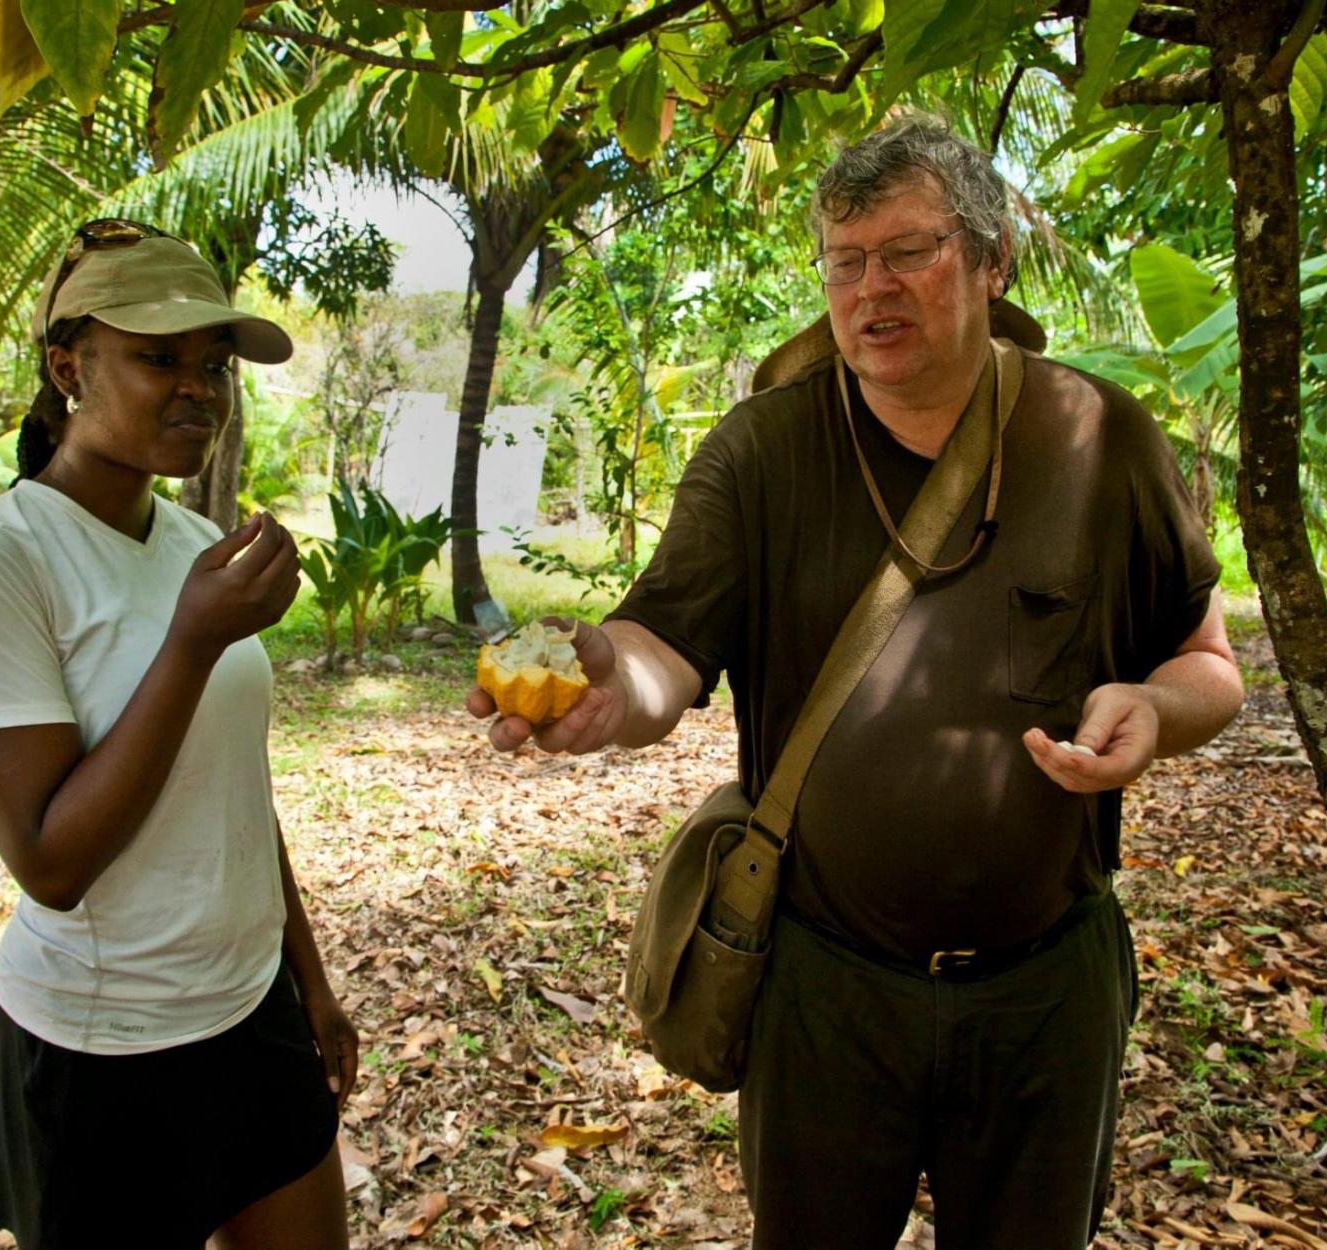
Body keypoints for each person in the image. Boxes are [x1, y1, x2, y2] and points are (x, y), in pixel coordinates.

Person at [468, 116, 1245, 1249]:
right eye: (845, 261)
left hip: (1045, 990)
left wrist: (1156, 709)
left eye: (908, 251)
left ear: (989, 262)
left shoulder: (1098, 436)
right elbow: (659, 649)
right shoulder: (760, 452)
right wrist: (598, 684)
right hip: (824, 987)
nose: (870, 287)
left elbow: (1206, 664)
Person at [0, 221, 356, 1249]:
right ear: (68, 365)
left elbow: (231, 790)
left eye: (211, 362)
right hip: (102, 1047)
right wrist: (192, 642)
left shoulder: (197, 543)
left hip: (252, 1012)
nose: (197, 385)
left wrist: (309, 978)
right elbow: (49, 859)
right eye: (159, 356)